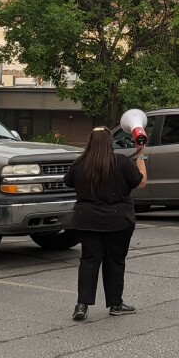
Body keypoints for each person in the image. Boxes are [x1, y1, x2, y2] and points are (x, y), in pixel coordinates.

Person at [64, 126, 148, 321]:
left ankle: (82, 305)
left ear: (90, 142)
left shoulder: (80, 163)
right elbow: (141, 182)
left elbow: (68, 182)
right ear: (110, 142)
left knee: (89, 260)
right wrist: (141, 155)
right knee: (115, 261)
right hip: (118, 220)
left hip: (86, 219)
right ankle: (115, 304)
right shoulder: (121, 162)